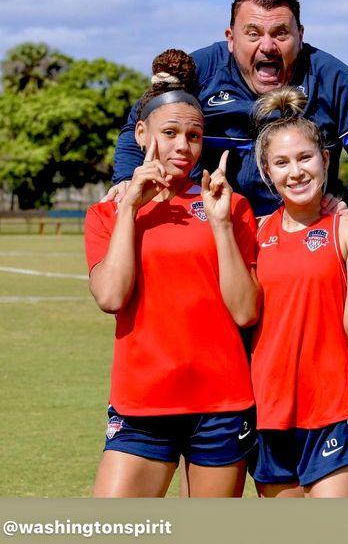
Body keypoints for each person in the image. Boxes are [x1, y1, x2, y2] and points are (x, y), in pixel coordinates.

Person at [84, 49, 261, 498]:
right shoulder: (107, 211)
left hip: (222, 405)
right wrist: (129, 207)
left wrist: (221, 222)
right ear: (141, 133)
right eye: (170, 133)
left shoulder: (232, 206)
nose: (183, 146)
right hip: (141, 404)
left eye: (195, 135)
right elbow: (110, 297)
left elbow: (245, 311)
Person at [109, 0, 348, 221]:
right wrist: (126, 180)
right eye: (253, 33)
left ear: (300, 36)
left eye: (281, 33)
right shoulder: (200, 72)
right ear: (231, 38)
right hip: (207, 228)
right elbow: (138, 129)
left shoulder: (331, 78)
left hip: (296, 234)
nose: (267, 45)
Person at [248, 86, 348, 497]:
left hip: (332, 408)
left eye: (305, 157)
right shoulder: (256, 233)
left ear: (325, 160)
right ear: (267, 173)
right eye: (282, 163)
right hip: (268, 412)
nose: (296, 172)